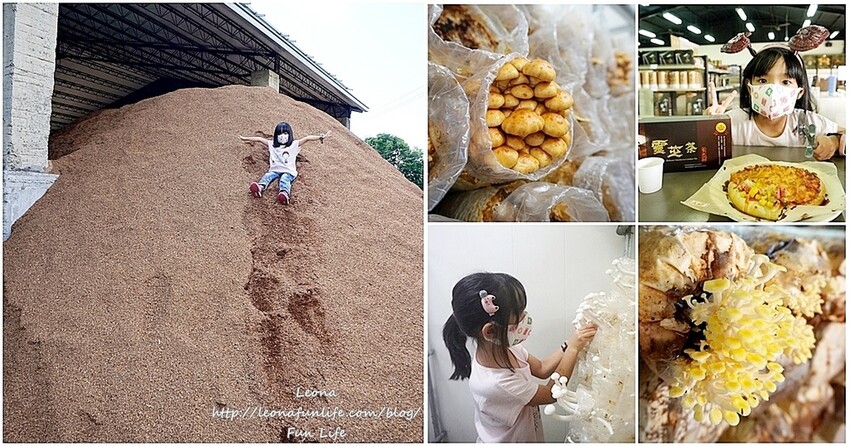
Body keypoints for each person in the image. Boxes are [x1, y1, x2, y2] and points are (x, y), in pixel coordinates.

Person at [442, 272, 598, 442]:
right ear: (490, 331)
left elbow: (542, 368)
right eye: (518, 316)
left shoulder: (504, 347)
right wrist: (573, 350)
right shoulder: (496, 384)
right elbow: (551, 394)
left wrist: (569, 343)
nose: (525, 318)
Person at [706, 46, 844, 160]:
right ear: (749, 87)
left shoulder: (809, 122)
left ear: (799, 92)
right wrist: (705, 126)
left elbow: (845, 134)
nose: (772, 90)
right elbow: (700, 151)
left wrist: (834, 141)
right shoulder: (732, 122)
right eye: (763, 81)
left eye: (786, 82)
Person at [239, 122, 330, 205]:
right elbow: (259, 139)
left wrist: (321, 137)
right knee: (267, 176)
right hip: (275, 170)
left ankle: (284, 194)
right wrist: (245, 138)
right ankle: (259, 188)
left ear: (289, 134)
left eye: (285, 133)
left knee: (284, 179)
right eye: (280, 134)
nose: (282, 136)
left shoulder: (294, 145)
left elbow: (307, 138)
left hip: (289, 171)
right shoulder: (272, 145)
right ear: (276, 135)